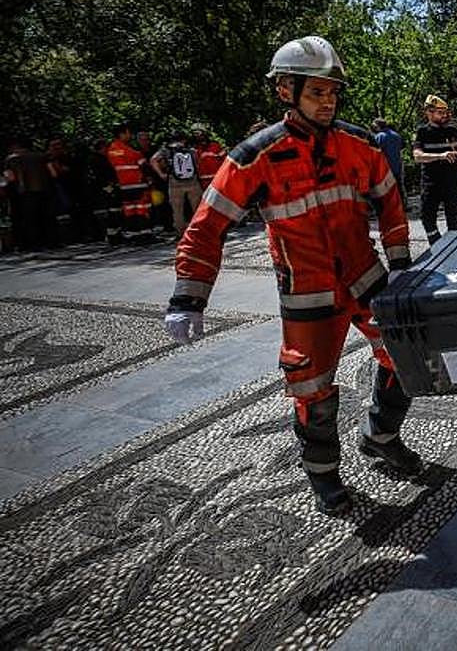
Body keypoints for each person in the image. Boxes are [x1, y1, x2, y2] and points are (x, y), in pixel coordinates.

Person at [162, 35, 419, 516]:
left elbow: (389, 199)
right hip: (306, 290)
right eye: (317, 91)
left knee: (407, 356)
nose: (328, 101)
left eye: (333, 92)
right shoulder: (254, 155)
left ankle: (381, 436)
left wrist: (401, 264)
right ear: (286, 91)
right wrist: (188, 296)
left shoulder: (358, 144)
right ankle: (323, 474)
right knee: (311, 388)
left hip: (367, 278)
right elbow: (208, 223)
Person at [412, 94, 457, 244]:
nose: (444, 116)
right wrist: (441, 156)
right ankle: (436, 244)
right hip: (431, 183)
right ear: (429, 112)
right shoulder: (422, 132)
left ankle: (456, 247)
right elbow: (417, 156)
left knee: (453, 219)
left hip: (451, 182)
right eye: (440, 113)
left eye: (445, 112)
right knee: (427, 217)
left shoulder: (453, 131)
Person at [3, 137, 56, 250]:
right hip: (45, 190)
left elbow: (10, 178)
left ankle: (33, 244)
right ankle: (51, 241)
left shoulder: (11, 159)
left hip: (25, 192)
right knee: (47, 217)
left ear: (15, 147)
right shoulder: (42, 156)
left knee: (29, 219)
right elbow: (53, 173)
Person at [105, 124, 152, 242]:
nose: (129, 135)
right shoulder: (131, 151)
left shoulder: (111, 150)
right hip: (137, 183)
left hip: (123, 186)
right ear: (122, 134)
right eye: (127, 133)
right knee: (142, 208)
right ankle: (145, 234)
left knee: (129, 210)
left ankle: (134, 235)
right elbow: (144, 165)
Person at [152, 132, 203, 238]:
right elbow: (198, 163)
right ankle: (201, 230)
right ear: (183, 139)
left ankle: (181, 234)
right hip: (192, 182)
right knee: (197, 208)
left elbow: (153, 160)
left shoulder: (166, 150)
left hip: (174, 183)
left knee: (177, 210)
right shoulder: (191, 150)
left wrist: (161, 174)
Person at [371, 118, 406, 203]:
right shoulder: (396, 135)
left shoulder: (379, 136)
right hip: (397, 166)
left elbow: (374, 152)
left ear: (377, 126)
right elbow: (402, 148)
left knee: (386, 190)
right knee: (398, 187)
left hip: (385, 168)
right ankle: (402, 205)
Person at [191, 123, 227, 191]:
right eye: (194, 133)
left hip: (217, 179)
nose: (196, 135)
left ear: (204, 133)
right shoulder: (194, 149)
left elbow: (225, 162)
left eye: (198, 133)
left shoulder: (215, 146)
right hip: (203, 183)